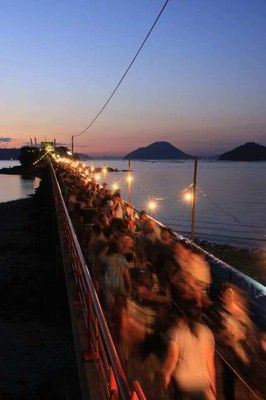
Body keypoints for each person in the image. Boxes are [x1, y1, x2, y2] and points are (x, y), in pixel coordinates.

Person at [161, 308, 216, 400]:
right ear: (199, 317)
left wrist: (166, 376)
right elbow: (210, 363)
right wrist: (213, 385)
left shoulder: (176, 333)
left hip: (182, 382)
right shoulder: (207, 333)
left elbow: (172, 360)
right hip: (201, 382)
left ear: (183, 317)